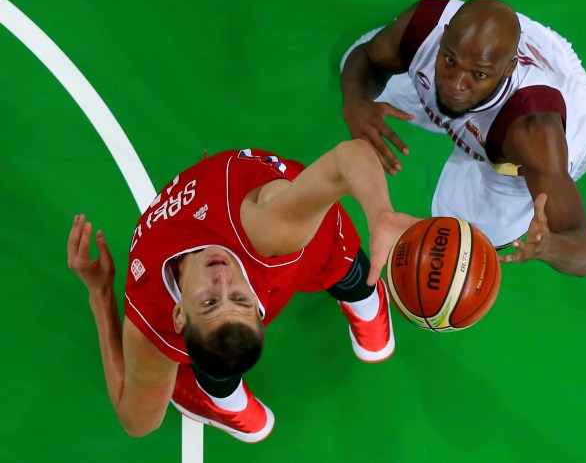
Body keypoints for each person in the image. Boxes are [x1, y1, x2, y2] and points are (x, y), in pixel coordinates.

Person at [67, 140, 419, 443]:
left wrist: (100, 295)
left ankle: (228, 401)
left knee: (346, 269)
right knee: (220, 345)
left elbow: (137, 421)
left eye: (209, 302)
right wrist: (381, 214)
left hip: (293, 242)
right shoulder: (273, 231)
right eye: (237, 298)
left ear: (179, 313)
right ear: (258, 305)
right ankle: (231, 402)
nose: (223, 280)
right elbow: (348, 158)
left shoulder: (154, 313)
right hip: (294, 245)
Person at [340, 0, 586, 276]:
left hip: (545, 133)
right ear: (444, 36)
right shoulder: (425, 25)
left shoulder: (533, 134)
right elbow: (366, 57)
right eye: (449, 60)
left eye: (478, 74)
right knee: (354, 66)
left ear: (508, 70)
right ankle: (468, 104)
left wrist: (547, 247)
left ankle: (582, 154)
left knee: (461, 235)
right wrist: (355, 102)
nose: (456, 83)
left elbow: (584, 254)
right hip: (498, 91)